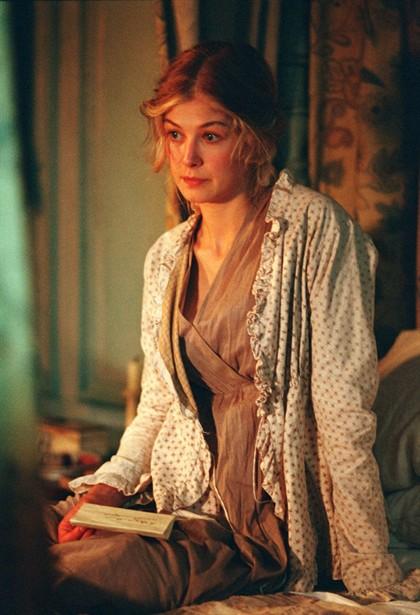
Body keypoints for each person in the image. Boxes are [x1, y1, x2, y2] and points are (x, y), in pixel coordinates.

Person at [46, 41, 404, 614]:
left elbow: (343, 412)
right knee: (19, 539)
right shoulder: (166, 256)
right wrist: (109, 486)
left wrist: (367, 563)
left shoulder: (314, 230)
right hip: (167, 505)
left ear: (254, 139)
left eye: (210, 136)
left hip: (248, 531)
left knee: (58, 581)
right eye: (175, 135)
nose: (188, 158)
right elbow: (158, 405)